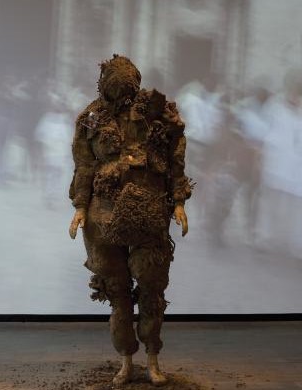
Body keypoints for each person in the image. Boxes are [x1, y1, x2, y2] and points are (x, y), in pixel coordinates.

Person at [69, 55, 192, 386]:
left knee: (152, 286)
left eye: (128, 89)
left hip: (149, 211)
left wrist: (178, 200)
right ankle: (126, 360)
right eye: (116, 90)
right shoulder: (91, 119)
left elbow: (174, 158)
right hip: (103, 217)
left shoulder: (155, 115)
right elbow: (84, 165)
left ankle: (152, 358)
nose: (124, 97)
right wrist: (80, 207)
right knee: (117, 290)